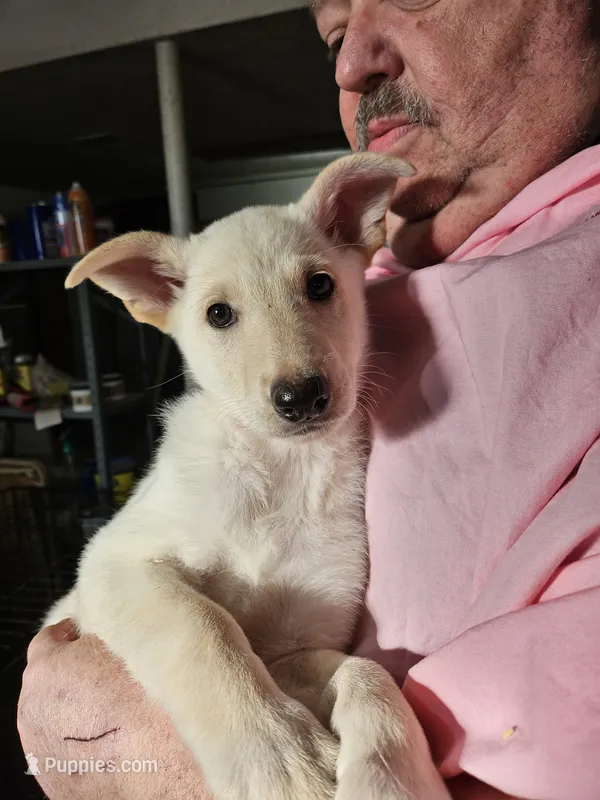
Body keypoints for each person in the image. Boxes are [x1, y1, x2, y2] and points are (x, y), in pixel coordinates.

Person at [18, 0, 600, 797]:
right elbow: (119, 578)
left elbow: (297, 664)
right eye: (222, 315)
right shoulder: (207, 457)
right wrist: (238, 729)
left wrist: (365, 701)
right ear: (162, 299)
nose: (351, 61)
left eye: (316, 287)